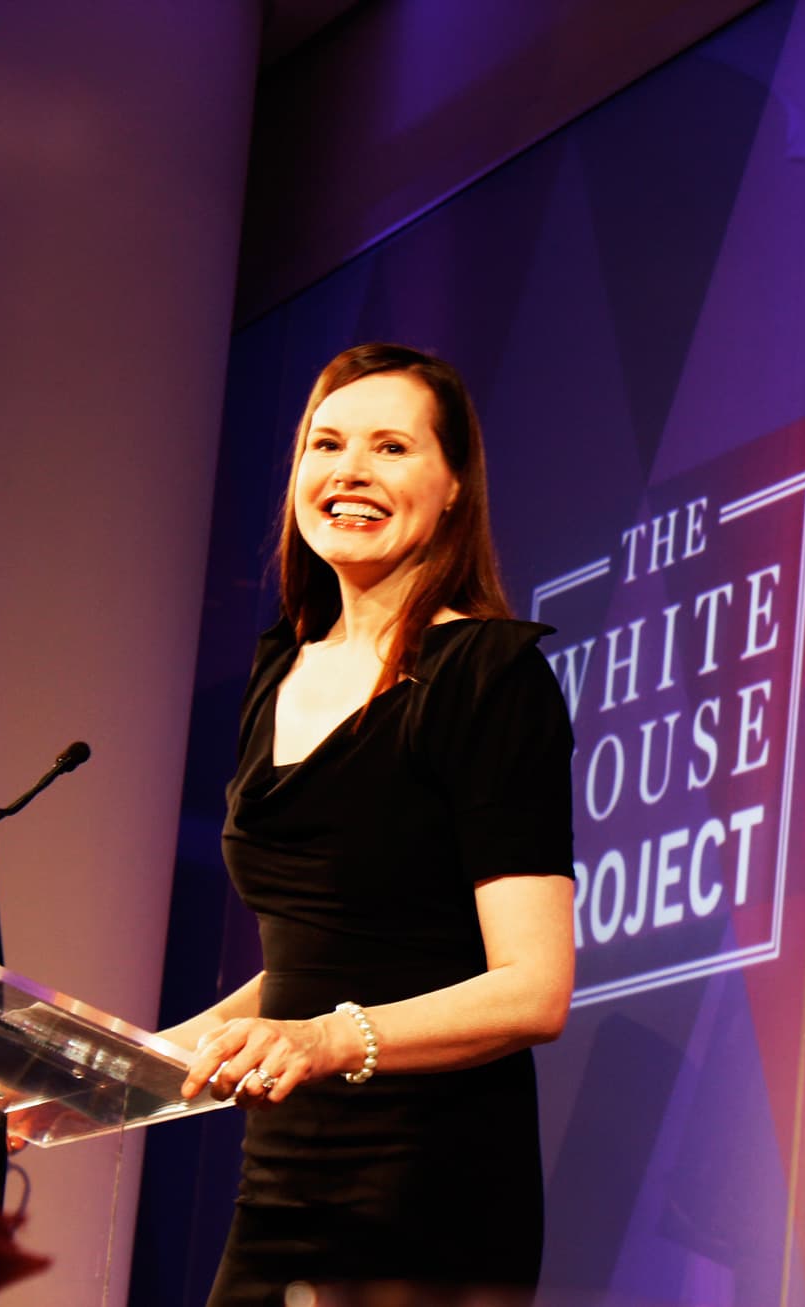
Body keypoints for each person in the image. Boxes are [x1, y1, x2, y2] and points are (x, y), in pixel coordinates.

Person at [161, 343, 576, 1304]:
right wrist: (105, 1074)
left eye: (391, 447)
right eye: (327, 443)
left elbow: (535, 988)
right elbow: (332, 953)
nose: (349, 471)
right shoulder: (281, 670)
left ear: (455, 486)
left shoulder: (489, 675)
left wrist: (324, 1043)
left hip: (427, 1193)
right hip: (278, 1181)